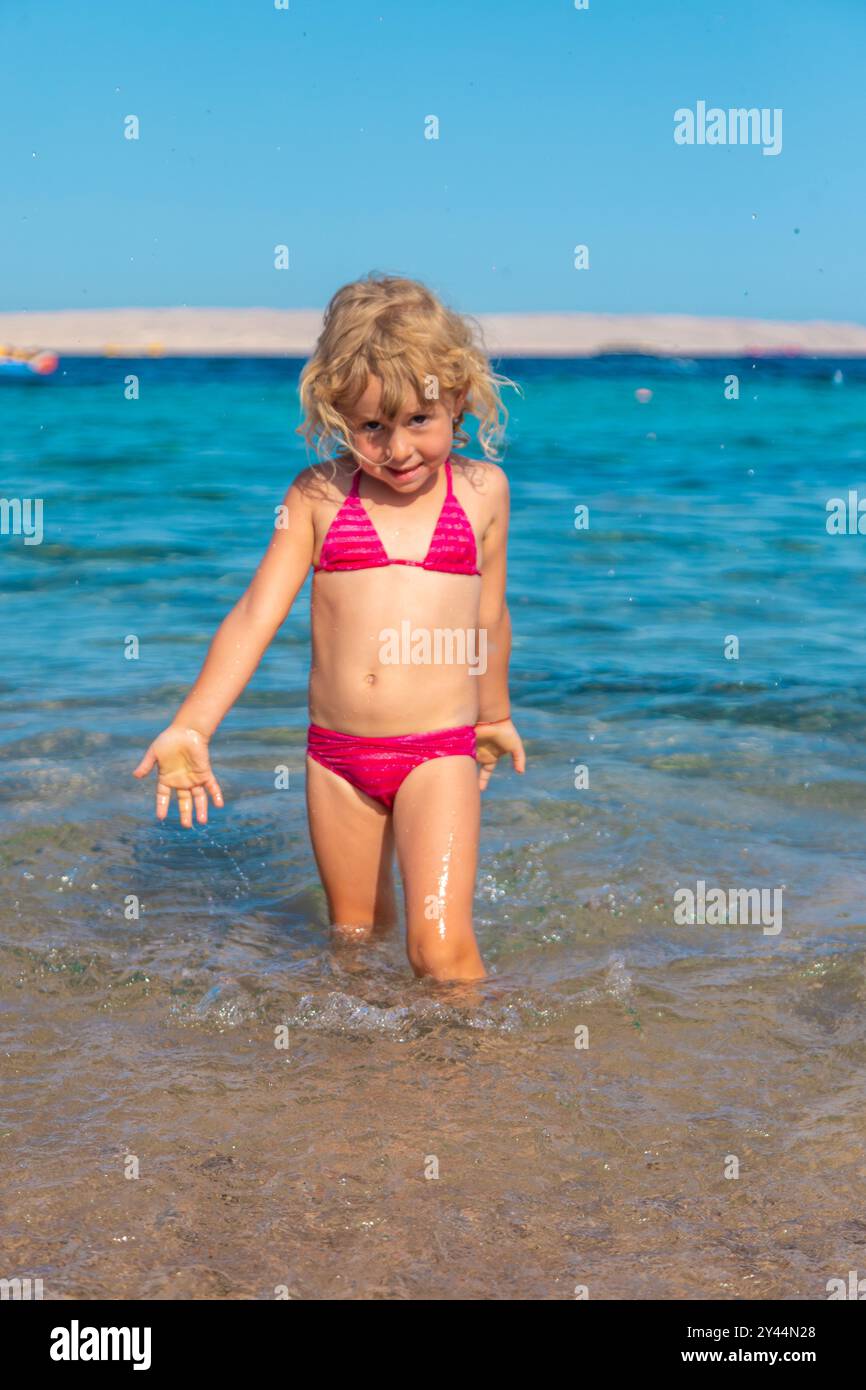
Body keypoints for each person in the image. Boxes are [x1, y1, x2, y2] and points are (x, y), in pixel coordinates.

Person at [133, 273, 526, 981]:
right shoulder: (317, 497)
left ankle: (472, 1084)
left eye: (419, 421)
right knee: (354, 942)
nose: (398, 449)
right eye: (372, 427)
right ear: (338, 415)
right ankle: (356, 1084)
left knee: (439, 948)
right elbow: (257, 612)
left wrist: (493, 714)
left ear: (459, 402)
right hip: (337, 760)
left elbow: (489, 615)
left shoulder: (481, 492)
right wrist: (193, 725)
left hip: (439, 753)